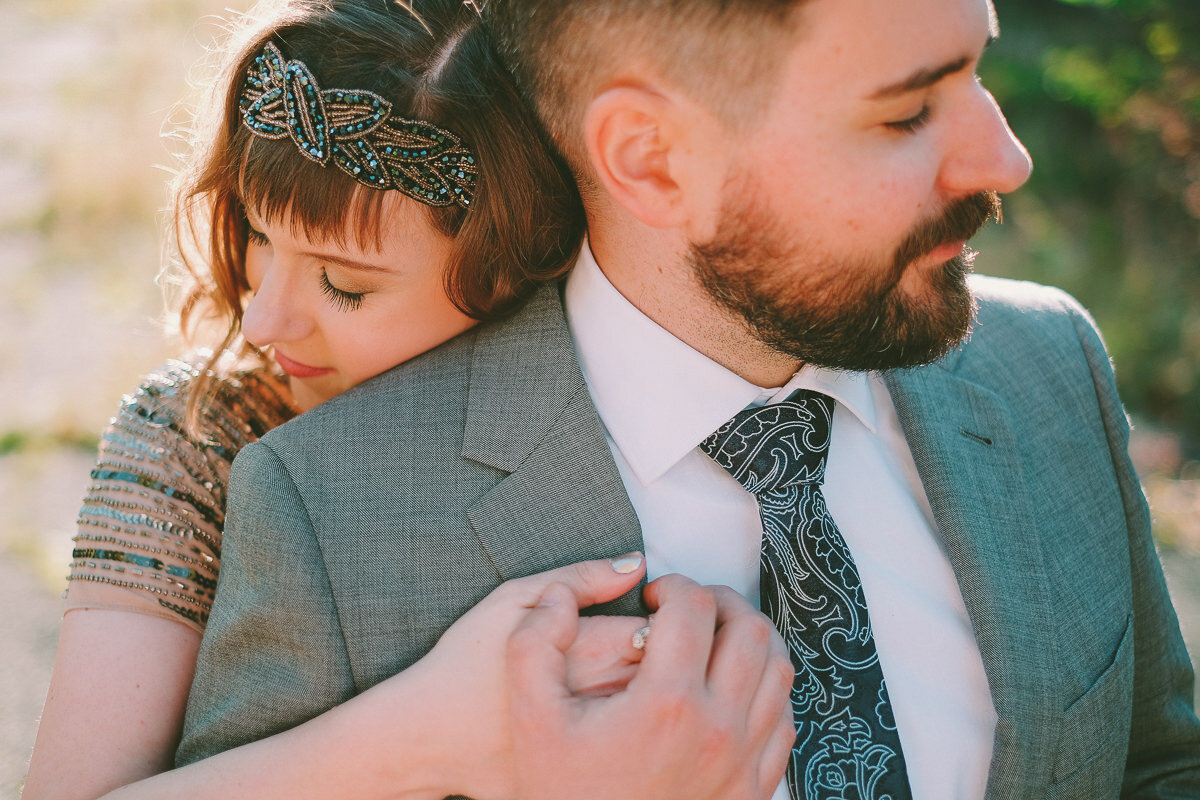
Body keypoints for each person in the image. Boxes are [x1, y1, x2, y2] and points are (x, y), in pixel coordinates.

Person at [179, 0, 1200, 797]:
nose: (1004, 158)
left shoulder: (1048, 362)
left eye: (979, 71)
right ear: (652, 160)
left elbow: (1158, 766)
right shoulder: (329, 508)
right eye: (906, 113)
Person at [22, 1, 795, 799]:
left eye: (343, 284)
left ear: (505, 274)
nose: (260, 318)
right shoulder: (192, 435)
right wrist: (428, 732)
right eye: (257, 235)